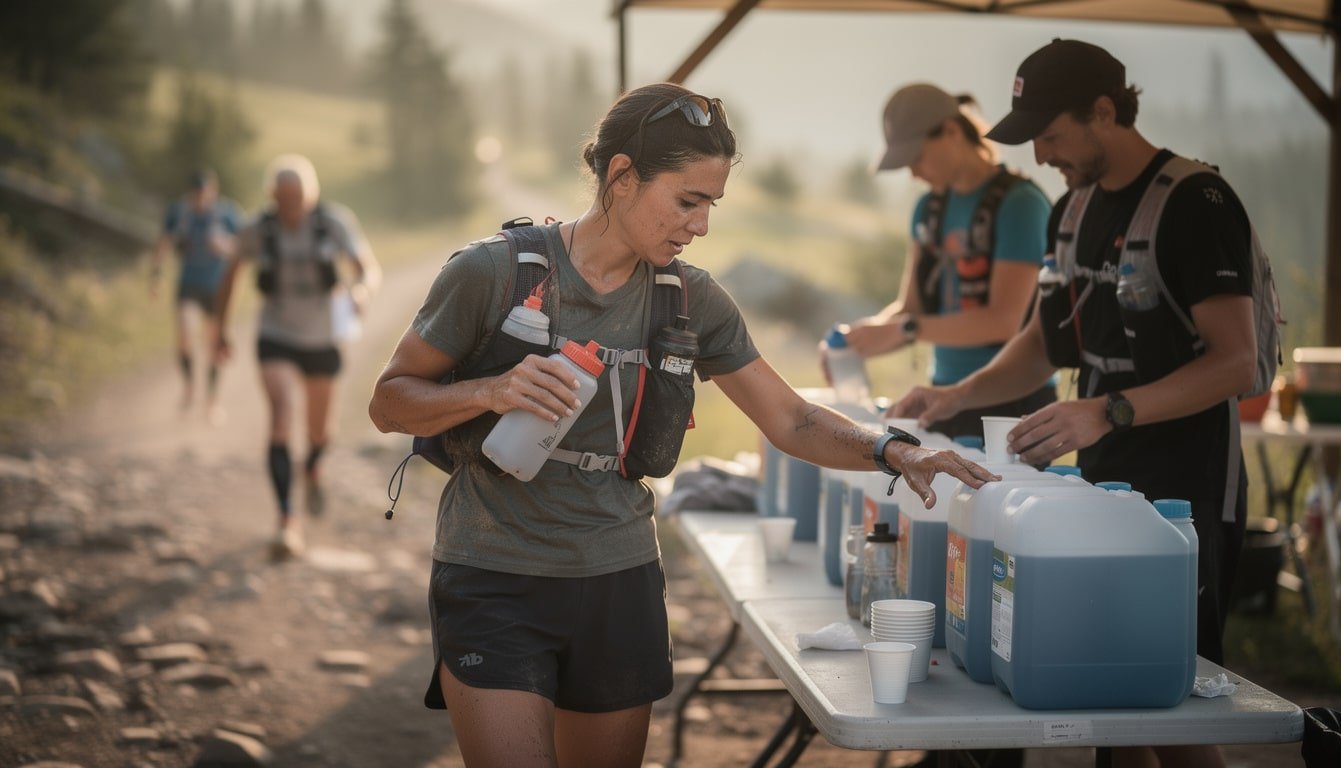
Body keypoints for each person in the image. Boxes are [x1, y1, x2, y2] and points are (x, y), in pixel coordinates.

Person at [368, 82, 996, 768]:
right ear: (622, 177)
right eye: (687, 200)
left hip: (620, 578)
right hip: (493, 574)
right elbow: (390, 401)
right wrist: (492, 388)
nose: (699, 226)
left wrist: (892, 451)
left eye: (711, 206)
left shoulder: (692, 300)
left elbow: (789, 418)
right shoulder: (492, 271)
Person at [893, 39, 1254, 768]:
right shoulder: (1071, 209)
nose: (1042, 154)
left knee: (1173, 708)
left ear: (1104, 111)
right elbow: (1040, 344)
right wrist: (953, 395)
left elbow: (1238, 361)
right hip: (1098, 484)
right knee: (1109, 700)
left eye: (1051, 136)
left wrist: (1106, 410)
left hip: (1187, 488)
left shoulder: (1195, 201)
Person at [831, 84, 1054, 442]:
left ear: (952, 132)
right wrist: (855, 342)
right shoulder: (928, 210)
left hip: (1013, 406)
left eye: (917, 157)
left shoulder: (1020, 205)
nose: (914, 174)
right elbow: (910, 309)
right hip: (942, 395)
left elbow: (1003, 321)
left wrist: (906, 329)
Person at [215, 154, 381, 559]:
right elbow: (232, 270)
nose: (290, 204)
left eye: (298, 196)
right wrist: (219, 328)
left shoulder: (333, 222)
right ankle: (286, 520)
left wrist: (360, 291)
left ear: (311, 195)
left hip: (323, 335)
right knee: (281, 415)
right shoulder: (259, 229)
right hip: (277, 333)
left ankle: (312, 468)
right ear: (272, 196)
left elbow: (367, 268)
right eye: (283, 196)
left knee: (320, 431)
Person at [149, 168, 243, 424]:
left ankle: (211, 401)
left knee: (213, 344)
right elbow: (163, 242)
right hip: (188, 284)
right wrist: (156, 276)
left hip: (216, 288)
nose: (201, 199)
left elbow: (243, 247)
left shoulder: (227, 214)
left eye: (205, 193)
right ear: (190, 194)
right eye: (196, 194)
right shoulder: (180, 213)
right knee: (185, 335)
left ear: (213, 191)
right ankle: (189, 388)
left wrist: (222, 244)